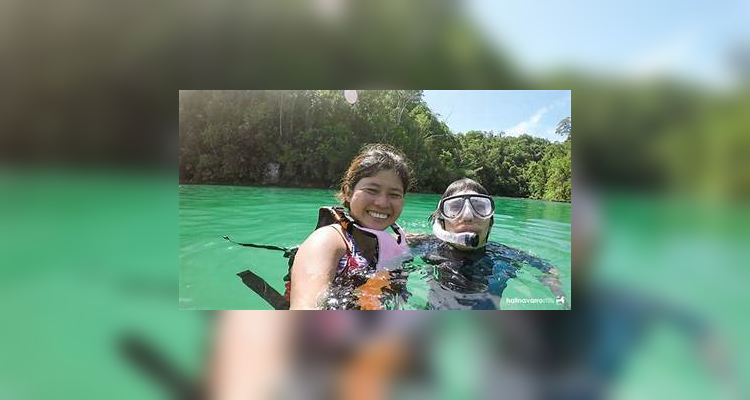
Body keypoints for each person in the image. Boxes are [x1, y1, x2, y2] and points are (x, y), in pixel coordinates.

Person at [407, 178, 567, 309]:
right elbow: (397, 242)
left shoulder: (505, 255)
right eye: (454, 207)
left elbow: (549, 270)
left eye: (479, 207)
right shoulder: (428, 245)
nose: (468, 216)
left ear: (490, 222)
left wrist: (559, 294)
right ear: (442, 222)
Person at [289, 144, 413, 310]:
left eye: (394, 194)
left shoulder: (391, 242)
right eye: (372, 190)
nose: (382, 203)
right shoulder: (327, 242)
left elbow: (417, 240)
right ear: (348, 192)